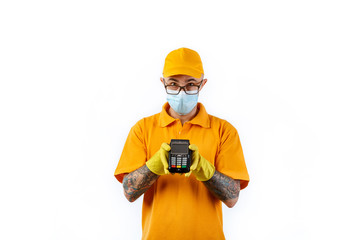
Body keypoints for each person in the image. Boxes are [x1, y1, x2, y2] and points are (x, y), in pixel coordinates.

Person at [114, 47, 250, 240]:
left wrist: (205, 170)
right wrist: (153, 167)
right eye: (173, 83)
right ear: (163, 83)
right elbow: (129, 192)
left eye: (191, 84)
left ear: (202, 84)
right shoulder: (142, 129)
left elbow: (232, 198)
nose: (181, 91)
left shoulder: (224, 131)